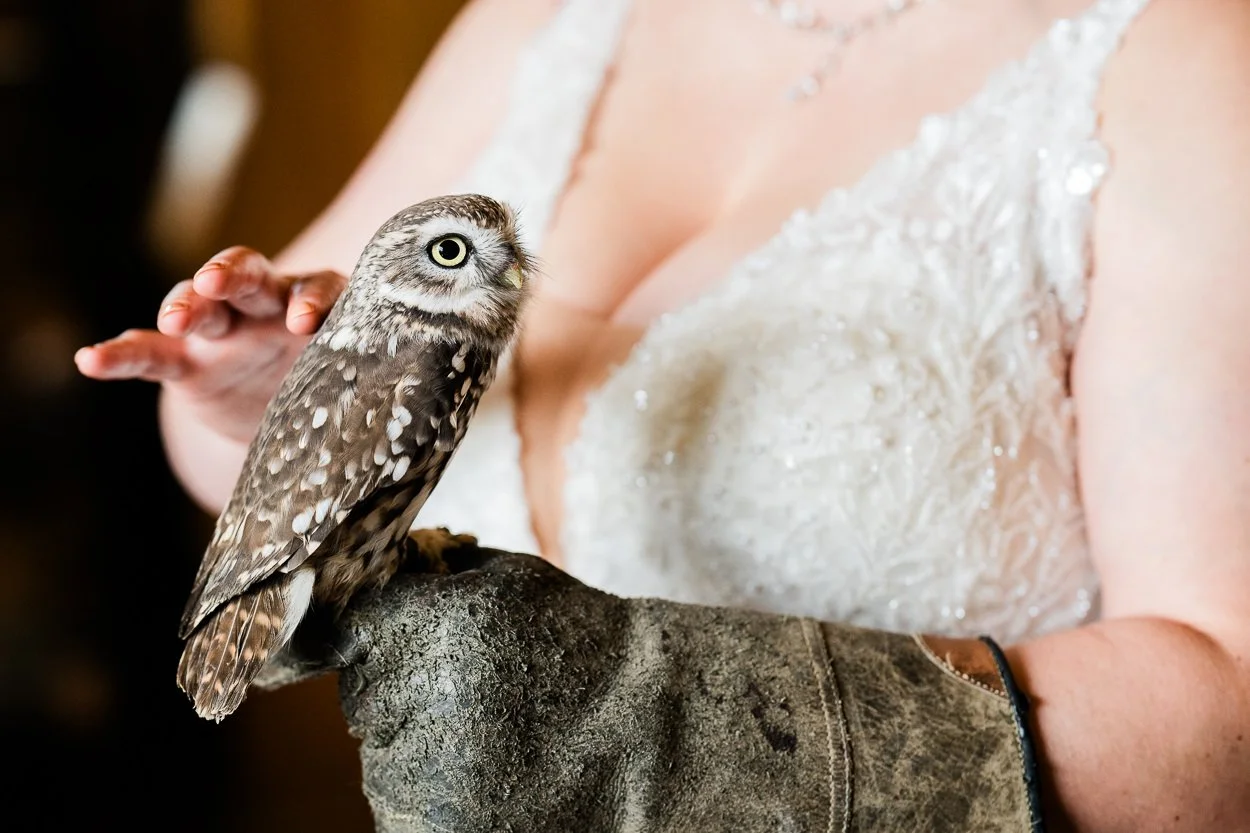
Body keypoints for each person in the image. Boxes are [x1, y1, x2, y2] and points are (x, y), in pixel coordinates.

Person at [77, 0, 1250, 830]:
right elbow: (250, 459)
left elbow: (1224, 720)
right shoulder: (539, 24)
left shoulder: (1184, 59)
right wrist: (250, 407)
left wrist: (677, 720)